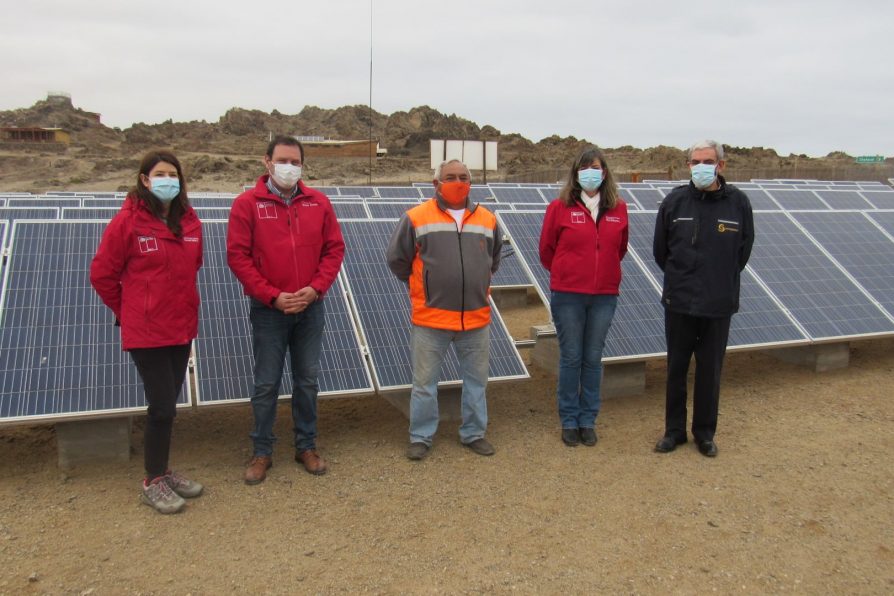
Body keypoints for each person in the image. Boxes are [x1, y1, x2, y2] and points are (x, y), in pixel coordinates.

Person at [90, 150, 204, 514]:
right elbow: (102, 274)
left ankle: (163, 471)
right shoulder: (128, 222)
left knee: (168, 405)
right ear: (144, 179)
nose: (168, 179)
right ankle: (152, 480)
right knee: (161, 407)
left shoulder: (189, 221)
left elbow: (193, 266)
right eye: (160, 173)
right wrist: (130, 311)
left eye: (173, 173)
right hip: (147, 332)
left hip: (181, 327)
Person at [227, 135, 345, 484]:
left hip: (311, 308)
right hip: (269, 310)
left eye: (295, 162)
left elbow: (334, 250)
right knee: (266, 383)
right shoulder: (247, 204)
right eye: (283, 160)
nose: (289, 167)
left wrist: (316, 289)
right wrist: (272, 295)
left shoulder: (318, 203)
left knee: (306, 380)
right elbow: (238, 257)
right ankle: (262, 452)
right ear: (267, 162)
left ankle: (305, 446)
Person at [386, 159, 503, 460]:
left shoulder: (488, 220)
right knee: (424, 384)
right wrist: (421, 286)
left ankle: (474, 433)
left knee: (477, 382)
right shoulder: (415, 217)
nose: (457, 182)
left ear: (471, 183)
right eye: (450, 177)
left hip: (476, 319)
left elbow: (494, 260)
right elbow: (397, 260)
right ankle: (421, 437)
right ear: (435, 183)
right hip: (431, 319)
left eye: (463, 177)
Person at [652, 139, 754, 457]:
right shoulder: (675, 202)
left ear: (721, 165)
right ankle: (674, 431)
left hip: (718, 303)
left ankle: (705, 433)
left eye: (706, 161)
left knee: (710, 371)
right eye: (694, 162)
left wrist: (718, 280)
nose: (699, 167)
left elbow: (742, 253)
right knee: (676, 368)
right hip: (680, 301)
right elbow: (661, 251)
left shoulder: (737, 204)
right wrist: (681, 280)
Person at [539, 147, 629, 447]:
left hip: (604, 296)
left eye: (598, 167)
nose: (592, 172)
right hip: (568, 296)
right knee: (571, 357)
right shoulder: (559, 207)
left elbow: (620, 250)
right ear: (576, 173)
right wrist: (569, 274)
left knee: (593, 359)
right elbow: (546, 250)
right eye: (586, 167)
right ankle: (569, 419)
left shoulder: (619, 209)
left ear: (605, 173)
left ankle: (588, 420)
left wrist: (601, 273)